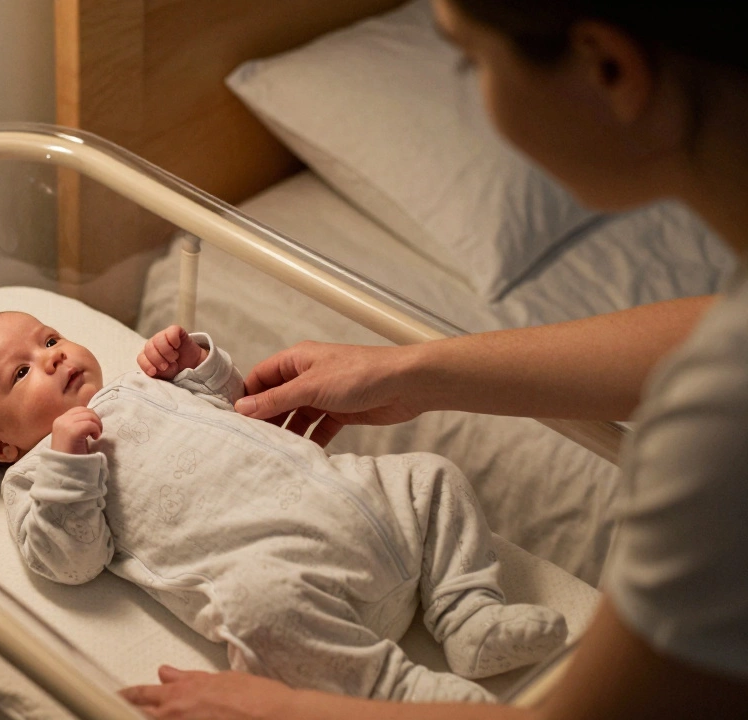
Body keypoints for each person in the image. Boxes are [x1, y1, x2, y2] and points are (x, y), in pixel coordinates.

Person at [120, 0, 748, 717]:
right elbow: (707, 332)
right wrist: (414, 371)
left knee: (428, 484)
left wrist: (285, 709)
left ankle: (467, 614)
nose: (472, 95)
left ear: (608, 67)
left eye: (468, 60)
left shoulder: (717, 436)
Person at [0, 312, 568, 702]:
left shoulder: (139, 384)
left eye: (49, 337)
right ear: (0, 444)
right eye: (21, 373)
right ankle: (394, 690)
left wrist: (196, 360)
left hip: (357, 504)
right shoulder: (39, 473)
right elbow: (71, 561)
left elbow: (237, 404)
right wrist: (68, 463)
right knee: (257, 608)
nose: (52, 355)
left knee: (431, 476)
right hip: (286, 572)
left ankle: (467, 613)